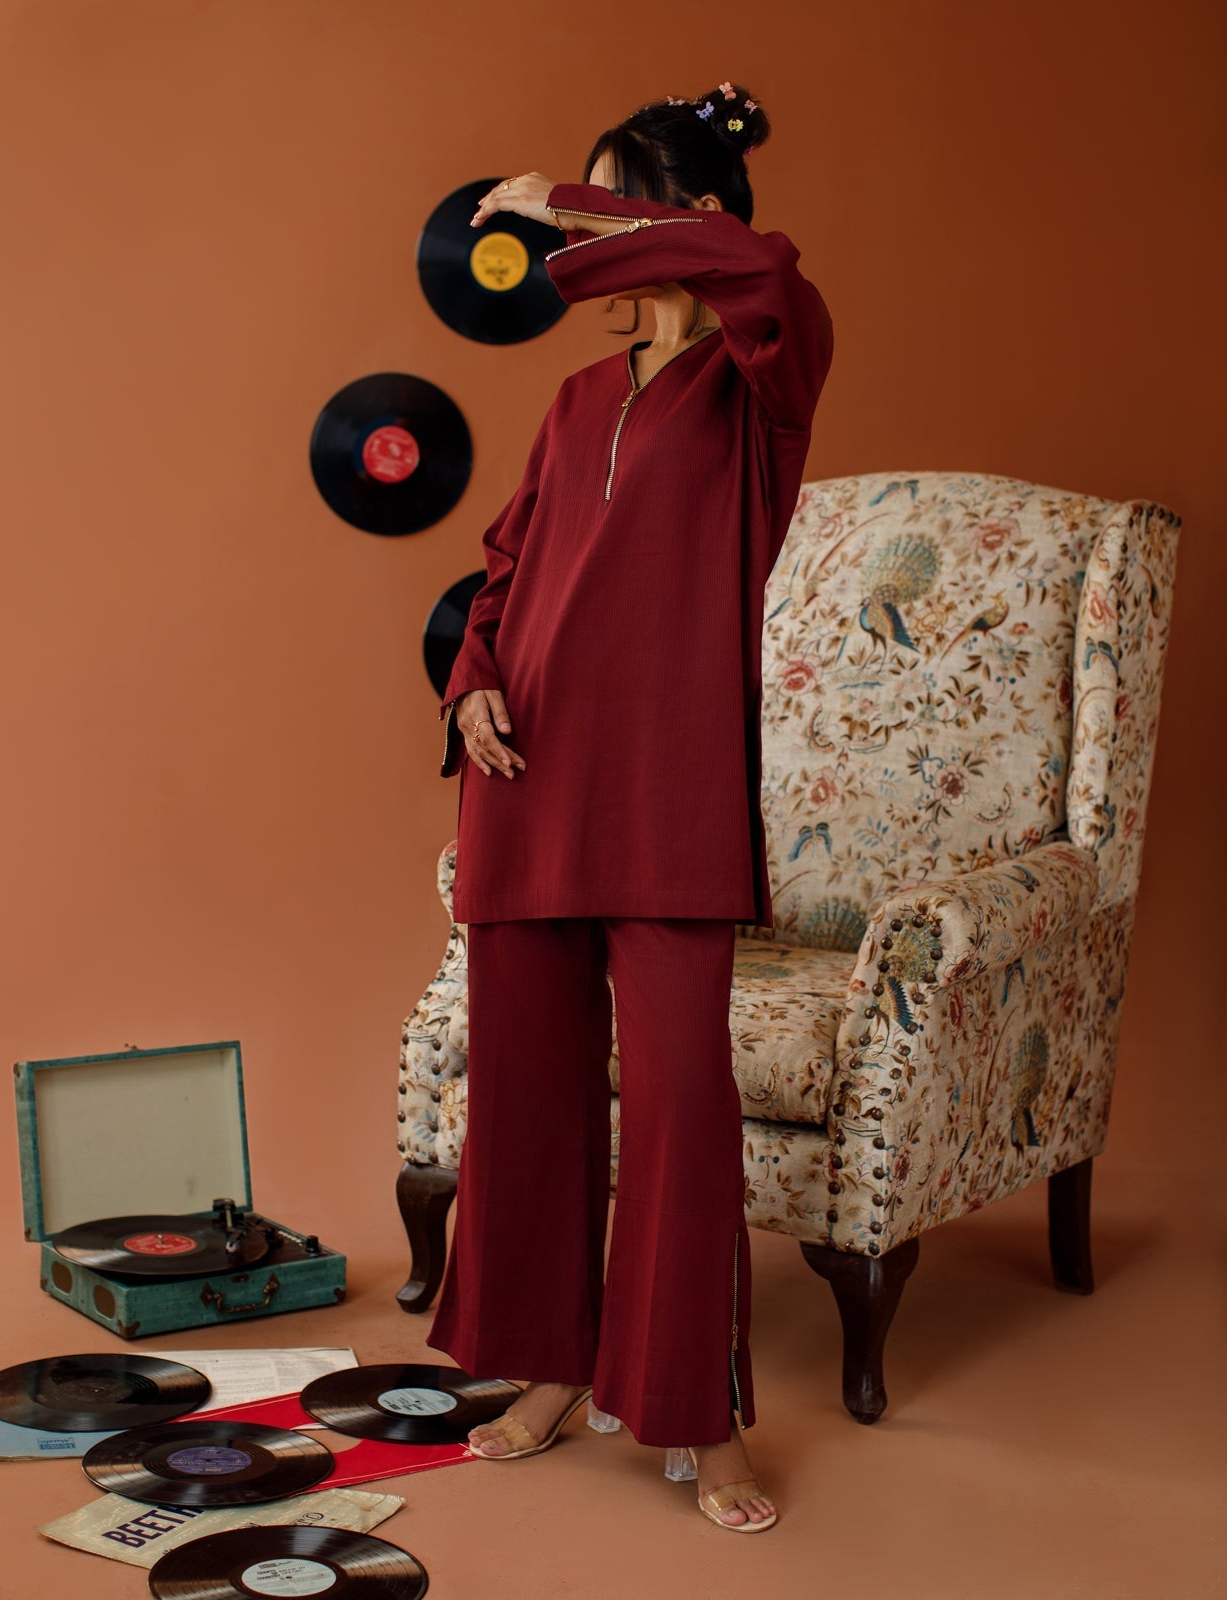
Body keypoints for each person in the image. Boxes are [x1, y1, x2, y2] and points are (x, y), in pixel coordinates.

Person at [426, 82, 835, 1532]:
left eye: (610, 206)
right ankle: (549, 1367)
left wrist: (571, 200)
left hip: (666, 794)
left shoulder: (762, 376)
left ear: (685, 216)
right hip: (527, 782)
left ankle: (699, 1422)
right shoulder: (572, 402)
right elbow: (505, 565)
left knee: (678, 1111)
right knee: (528, 1098)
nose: (572, 243)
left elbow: (762, 264)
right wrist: (471, 682)